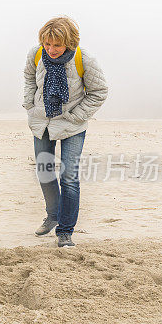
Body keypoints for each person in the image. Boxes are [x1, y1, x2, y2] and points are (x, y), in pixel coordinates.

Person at [22, 16, 108, 247]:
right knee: (45, 172)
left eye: (56, 45)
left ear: (69, 42)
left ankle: (65, 231)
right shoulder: (36, 54)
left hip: (72, 125)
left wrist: (75, 116)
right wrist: (30, 105)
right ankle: (52, 216)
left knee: (69, 177)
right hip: (42, 122)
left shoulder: (84, 59)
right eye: (47, 44)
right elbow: (30, 79)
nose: (50, 50)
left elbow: (99, 91)